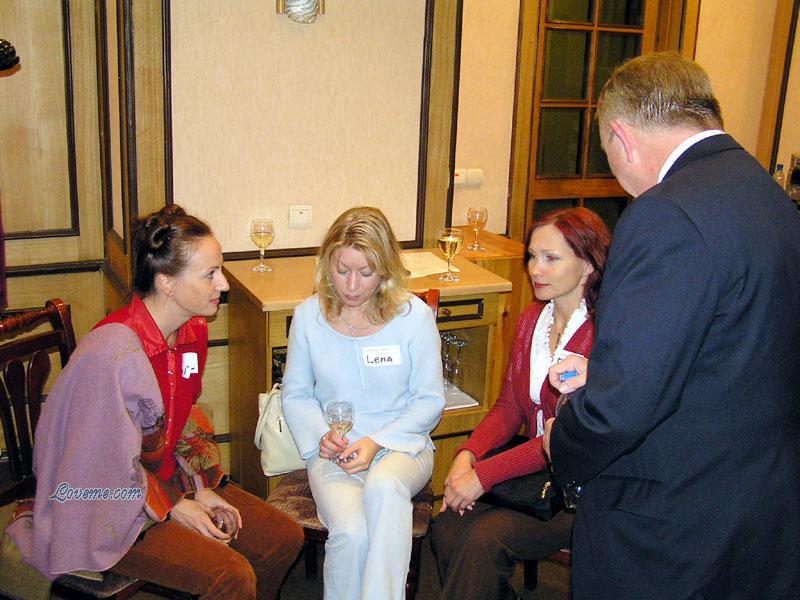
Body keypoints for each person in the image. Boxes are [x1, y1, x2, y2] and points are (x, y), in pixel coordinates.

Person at [543, 52, 800, 599]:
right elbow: (737, 346)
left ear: (621, 137)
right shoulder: (768, 195)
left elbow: (623, 407)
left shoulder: (666, 214)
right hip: (761, 505)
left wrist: (561, 440)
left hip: (671, 525)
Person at [6, 205, 303, 599]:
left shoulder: (192, 332)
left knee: (282, 537)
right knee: (231, 577)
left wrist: (199, 487)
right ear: (166, 283)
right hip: (103, 501)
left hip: (164, 476)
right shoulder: (112, 355)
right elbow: (99, 465)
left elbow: (186, 417)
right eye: (210, 274)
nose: (223, 284)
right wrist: (173, 506)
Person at [430, 207, 610, 600]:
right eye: (532, 256)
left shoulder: (604, 335)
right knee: (446, 527)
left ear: (588, 265)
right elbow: (508, 409)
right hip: (530, 478)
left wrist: (484, 475)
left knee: (482, 539)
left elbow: (563, 437)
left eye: (551, 258)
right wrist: (467, 455)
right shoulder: (532, 319)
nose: (535, 269)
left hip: (578, 492)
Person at [281, 206, 444, 600]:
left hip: (402, 445)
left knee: (385, 487)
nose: (352, 286)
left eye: (366, 273)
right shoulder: (308, 317)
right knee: (352, 533)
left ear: (385, 269)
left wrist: (377, 442)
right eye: (342, 270)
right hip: (334, 451)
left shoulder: (413, 318)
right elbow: (296, 393)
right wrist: (321, 437)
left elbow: (429, 401)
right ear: (327, 264)